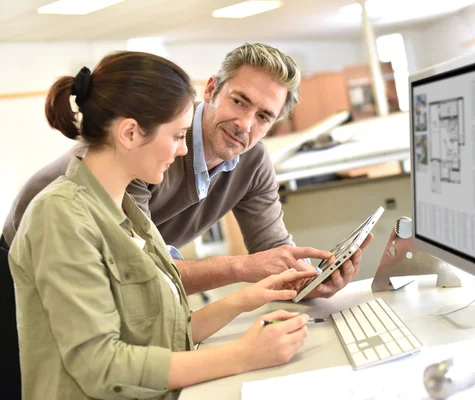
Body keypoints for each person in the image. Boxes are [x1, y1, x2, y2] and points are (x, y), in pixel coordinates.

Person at [0, 43, 372, 397]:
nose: (245, 124)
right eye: (239, 101)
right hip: (30, 262)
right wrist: (240, 350)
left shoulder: (131, 212)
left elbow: (155, 307)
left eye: (263, 117)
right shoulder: (112, 180)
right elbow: (102, 365)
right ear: (211, 89)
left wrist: (305, 281)